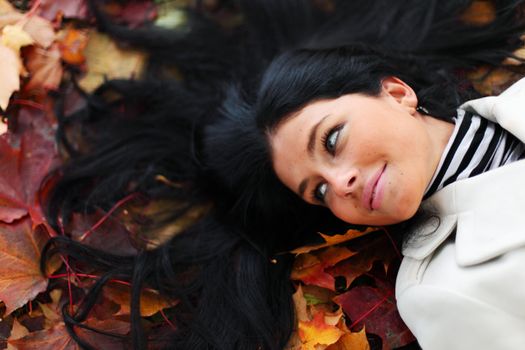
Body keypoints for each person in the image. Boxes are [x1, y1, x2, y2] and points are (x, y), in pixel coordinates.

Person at [40, 0, 525, 349]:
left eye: (332, 140)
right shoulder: (443, 291)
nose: (340, 186)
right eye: (316, 191)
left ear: (397, 93)